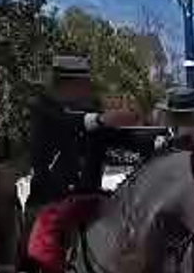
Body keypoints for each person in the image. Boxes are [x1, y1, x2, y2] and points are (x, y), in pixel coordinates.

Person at [26, 55, 147, 216]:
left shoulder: (90, 111)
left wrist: (162, 137)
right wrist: (101, 119)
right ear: (67, 84)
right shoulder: (42, 108)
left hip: (90, 202)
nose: (89, 88)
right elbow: (68, 122)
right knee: (46, 238)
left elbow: (123, 138)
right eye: (84, 83)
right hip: (50, 204)